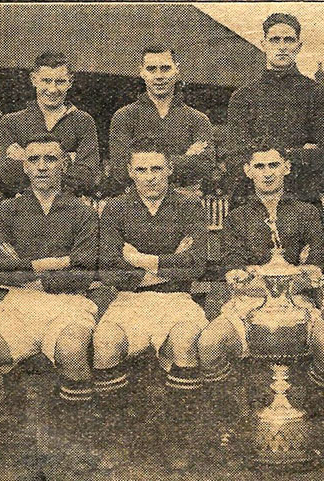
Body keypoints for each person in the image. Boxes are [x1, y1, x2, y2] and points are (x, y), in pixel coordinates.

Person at [0, 134, 99, 468]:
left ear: (65, 163)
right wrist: (56, 262)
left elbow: (85, 268)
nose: (43, 167)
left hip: (69, 303)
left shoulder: (83, 212)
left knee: (72, 350)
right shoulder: (6, 211)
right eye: (34, 159)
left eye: (51, 158)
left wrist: (26, 264)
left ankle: (74, 440)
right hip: (19, 305)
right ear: (24, 165)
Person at [198, 144, 324, 459]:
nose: (267, 172)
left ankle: (311, 419)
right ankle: (232, 420)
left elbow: (316, 262)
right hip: (246, 304)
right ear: (248, 171)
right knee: (209, 343)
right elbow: (233, 268)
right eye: (259, 166)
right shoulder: (237, 217)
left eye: (273, 165)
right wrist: (282, 273)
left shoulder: (307, 212)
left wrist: (264, 274)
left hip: (298, 303)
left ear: (286, 168)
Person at [93, 138, 209, 471]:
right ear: (130, 172)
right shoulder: (115, 208)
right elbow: (110, 269)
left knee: (187, 341)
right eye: (141, 169)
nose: (150, 177)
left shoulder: (189, 206)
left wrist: (140, 259)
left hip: (178, 299)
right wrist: (170, 262)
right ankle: (117, 440)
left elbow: (196, 265)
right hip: (130, 300)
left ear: (170, 169)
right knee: (104, 343)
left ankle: (179, 439)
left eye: (157, 168)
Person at [224, 13, 324, 203]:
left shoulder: (318, 93)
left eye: (289, 40)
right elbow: (235, 159)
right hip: (252, 201)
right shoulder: (243, 97)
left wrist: (262, 161)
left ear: (298, 46)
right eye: (275, 40)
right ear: (264, 44)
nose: (282, 47)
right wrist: (299, 152)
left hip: (302, 200)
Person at [106, 46, 215, 197]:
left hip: (184, 206)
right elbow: (121, 170)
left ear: (176, 70)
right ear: (141, 71)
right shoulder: (125, 116)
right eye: (151, 69)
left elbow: (206, 166)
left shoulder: (197, 119)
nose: (159, 76)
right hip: (138, 208)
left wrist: (143, 165)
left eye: (165, 68)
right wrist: (186, 158)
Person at [0, 51, 100, 197]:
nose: (52, 89)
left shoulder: (83, 121)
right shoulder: (11, 122)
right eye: (46, 81)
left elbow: (87, 178)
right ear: (34, 79)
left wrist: (26, 158)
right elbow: (7, 178)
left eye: (60, 82)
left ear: (70, 82)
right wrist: (67, 160)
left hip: (68, 210)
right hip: (25, 211)